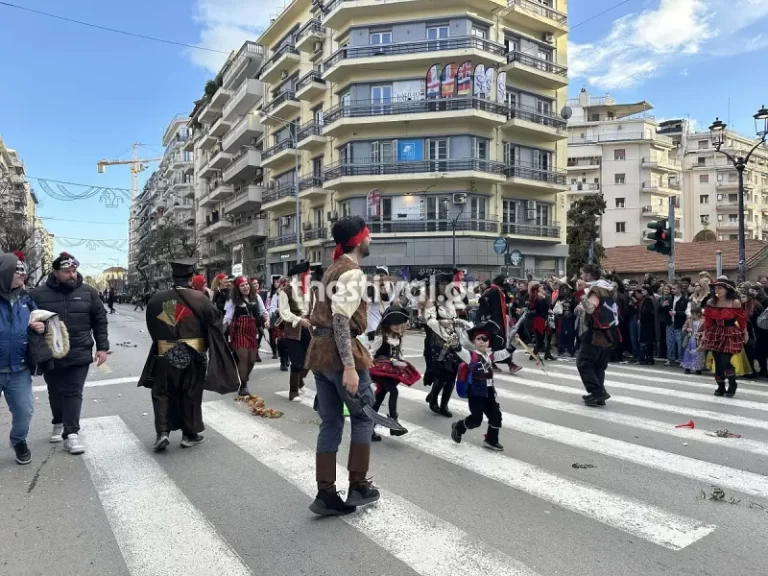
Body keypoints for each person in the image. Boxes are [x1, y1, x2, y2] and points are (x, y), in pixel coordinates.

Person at [304, 216, 378, 516]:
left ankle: (326, 493)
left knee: (331, 421)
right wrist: (349, 366)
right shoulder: (352, 272)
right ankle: (358, 485)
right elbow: (339, 320)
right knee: (362, 418)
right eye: (369, 235)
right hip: (338, 355)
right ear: (359, 240)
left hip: (320, 355)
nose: (371, 240)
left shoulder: (331, 268)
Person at [138, 258, 240, 451]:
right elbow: (215, 324)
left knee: (162, 392)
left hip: (165, 352)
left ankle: (162, 432)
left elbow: (152, 328)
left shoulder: (157, 298)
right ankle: (189, 434)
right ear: (191, 277)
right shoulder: (200, 298)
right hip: (194, 353)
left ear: (172, 276)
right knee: (191, 392)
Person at [30, 252, 109, 455]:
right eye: (66, 271)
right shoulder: (37, 294)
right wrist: (35, 326)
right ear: (56, 273)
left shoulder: (89, 292)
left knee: (74, 391)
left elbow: (99, 321)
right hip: (51, 353)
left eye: (74, 271)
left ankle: (71, 434)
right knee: (55, 390)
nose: (71, 275)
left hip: (80, 351)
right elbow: (27, 321)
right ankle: (58, 422)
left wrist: (102, 347)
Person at [0, 252, 44, 465]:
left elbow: (38, 320)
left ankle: (18, 441)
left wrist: (40, 326)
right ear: (5, 271)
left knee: (25, 412)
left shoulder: (27, 298)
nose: (23, 275)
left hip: (19, 369)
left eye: (24, 271)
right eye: (18, 271)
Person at [450, 320, 509, 451]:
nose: (482, 341)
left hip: (488, 392)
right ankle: (459, 427)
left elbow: (505, 353)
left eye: (485, 338)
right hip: (476, 393)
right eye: (478, 338)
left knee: (496, 416)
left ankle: (491, 440)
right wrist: (455, 344)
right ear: (473, 342)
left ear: (489, 341)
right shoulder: (472, 356)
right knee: (476, 420)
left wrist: (514, 344)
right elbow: (460, 351)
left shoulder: (490, 355)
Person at [369, 305, 421, 441]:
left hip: (393, 369)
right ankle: (393, 424)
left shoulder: (398, 337)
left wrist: (401, 363)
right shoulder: (382, 336)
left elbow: (399, 354)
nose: (399, 327)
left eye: (401, 324)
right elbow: (371, 353)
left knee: (379, 398)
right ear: (388, 324)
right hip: (381, 369)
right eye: (395, 324)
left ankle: (369, 428)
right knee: (394, 392)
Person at [424, 273, 472, 417]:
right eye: (442, 284)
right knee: (443, 373)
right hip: (437, 341)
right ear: (437, 286)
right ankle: (433, 398)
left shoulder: (451, 301)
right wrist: (441, 322)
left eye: (447, 284)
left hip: (452, 340)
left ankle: (444, 405)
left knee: (453, 374)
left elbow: (465, 303)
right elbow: (429, 321)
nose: (445, 286)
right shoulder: (432, 302)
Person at [575, 264, 618, 406]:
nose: (581, 277)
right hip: (610, 331)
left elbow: (590, 309)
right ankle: (598, 394)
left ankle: (598, 392)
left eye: (582, 274)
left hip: (596, 333)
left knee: (583, 362)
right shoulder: (609, 288)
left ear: (588, 275)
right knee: (598, 365)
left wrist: (581, 294)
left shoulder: (596, 290)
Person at [224, 276, 269, 396]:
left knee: (252, 360)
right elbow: (227, 318)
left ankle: (243, 378)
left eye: (247, 284)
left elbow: (263, 311)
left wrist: (267, 320)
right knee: (243, 357)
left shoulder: (256, 297)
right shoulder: (232, 300)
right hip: (238, 330)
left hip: (252, 330)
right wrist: (222, 333)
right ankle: (243, 385)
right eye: (242, 285)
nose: (245, 287)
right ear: (238, 288)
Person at [702, 278, 747, 397]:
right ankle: (720, 386)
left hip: (730, 333)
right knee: (717, 360)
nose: (717, 290)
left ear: (727, 289)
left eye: (720, 287)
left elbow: (742, 319)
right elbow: (708, 320)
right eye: (716, 288)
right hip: (715, 332)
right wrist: (704, 335)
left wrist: (744, 332)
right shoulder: (711, 302)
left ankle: (732, 383)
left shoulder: (735, 302)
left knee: (725, 360)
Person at [279, 261, 313, 401]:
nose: (310, 276)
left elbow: (314, 309)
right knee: (297, 362)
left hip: (308, 328)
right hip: (293, 330)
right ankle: (293, 392)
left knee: (311, 359)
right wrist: (300, 320)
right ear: (300, 275)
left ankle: (299, 382)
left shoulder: (310, 290)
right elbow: (284, 313)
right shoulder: (285, 291)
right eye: (308, 274)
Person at [477, 275, 522, 373]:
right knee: (500, 343)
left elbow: (507, 303)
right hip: (495, 321)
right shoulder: (494, 290)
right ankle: (510, 364)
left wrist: (514, 310)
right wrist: (488, 315)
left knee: (499, 344)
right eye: (505, 281)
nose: (507, 283)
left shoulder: (500, 291)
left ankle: (491, 362)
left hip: (502, 320)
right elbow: (482, 300)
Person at [666, 283, 688, 365]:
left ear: (679, 289)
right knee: (669, 342)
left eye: (674, 289)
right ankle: (671, 359)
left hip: (679, 324)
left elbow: (687, 312)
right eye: (672, 289)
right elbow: (664, 309)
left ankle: (681, 359)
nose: (672, 290)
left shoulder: (685, 299)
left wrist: (677, 313)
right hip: (670, 323)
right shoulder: (670, 298)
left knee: (680, 343)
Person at [681, 305, 705, 375]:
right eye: (692, 314)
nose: (692, 316)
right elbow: (683, 328)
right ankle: (687, 367)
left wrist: (700, 334)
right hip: (690, 339)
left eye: (694, 314)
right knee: (688, 353)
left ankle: (698, 368)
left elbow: (707, 331)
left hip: (698, 340)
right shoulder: (689, 320)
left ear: (698, 314)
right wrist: (686, 329)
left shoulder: (704, 321)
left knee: (699, 354)